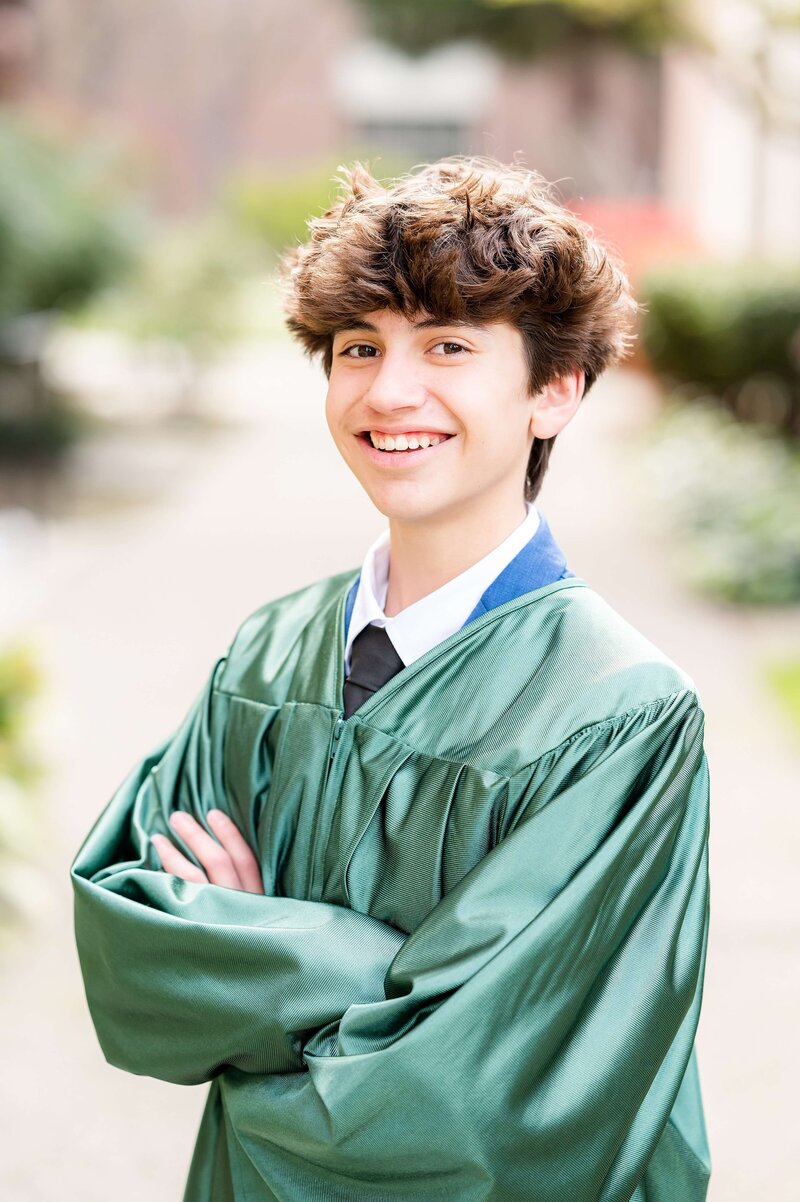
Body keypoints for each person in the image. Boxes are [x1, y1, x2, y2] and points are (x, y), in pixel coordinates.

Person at [71, 156, 711, 1201]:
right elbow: (134, 955)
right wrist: (392, 986)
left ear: (554, 390)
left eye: (447, 346)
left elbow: (480, 1101)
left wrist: (259, 945)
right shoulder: (269, 656)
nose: (388, 391)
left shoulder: (616, 715)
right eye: (357, 347)